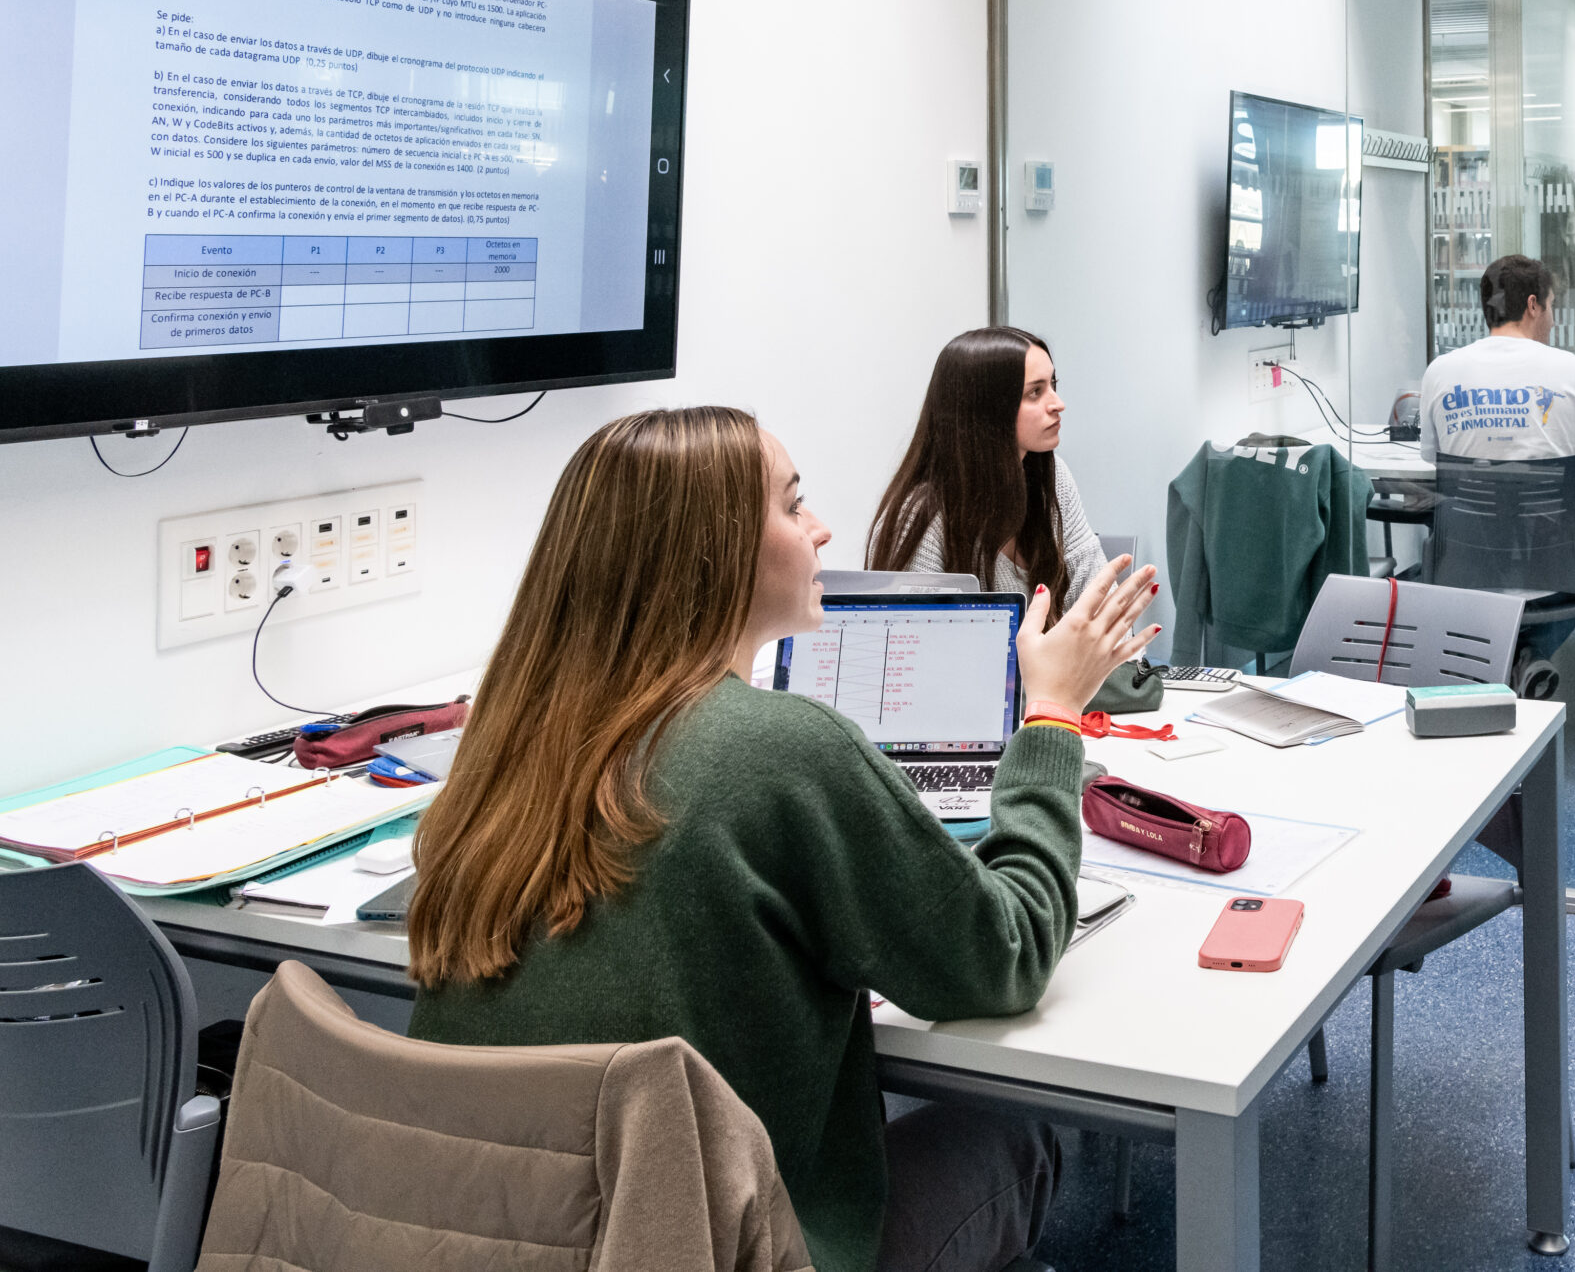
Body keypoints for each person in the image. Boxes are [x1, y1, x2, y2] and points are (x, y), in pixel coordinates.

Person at [406, 407, 1161, 1272]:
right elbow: (1007, 955)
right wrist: (1054, 715)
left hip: (490, 1237)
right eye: (793, 505)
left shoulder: (499, 752)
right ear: (713, 551)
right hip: (719, 1247)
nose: (821, 528)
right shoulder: (782, 750)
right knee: (1014, 1131)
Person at [1419, 254, 1575, 672]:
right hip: (1559, 564)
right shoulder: (1574, 370)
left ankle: (1495, 653)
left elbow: (1434, 460)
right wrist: (1574, 461)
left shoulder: (1440, 372)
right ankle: (1529, 652)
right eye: (1552, 306)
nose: (1553, 319)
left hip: (1469, 561)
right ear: (1534, 305)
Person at [869, 325, 1104, 600]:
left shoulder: (1052, 477)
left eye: (1052, 385)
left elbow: (1097, 593)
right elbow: (919, 639)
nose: (1058, 403)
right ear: (986, 409)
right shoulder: (920, 516)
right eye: (1035, 393)